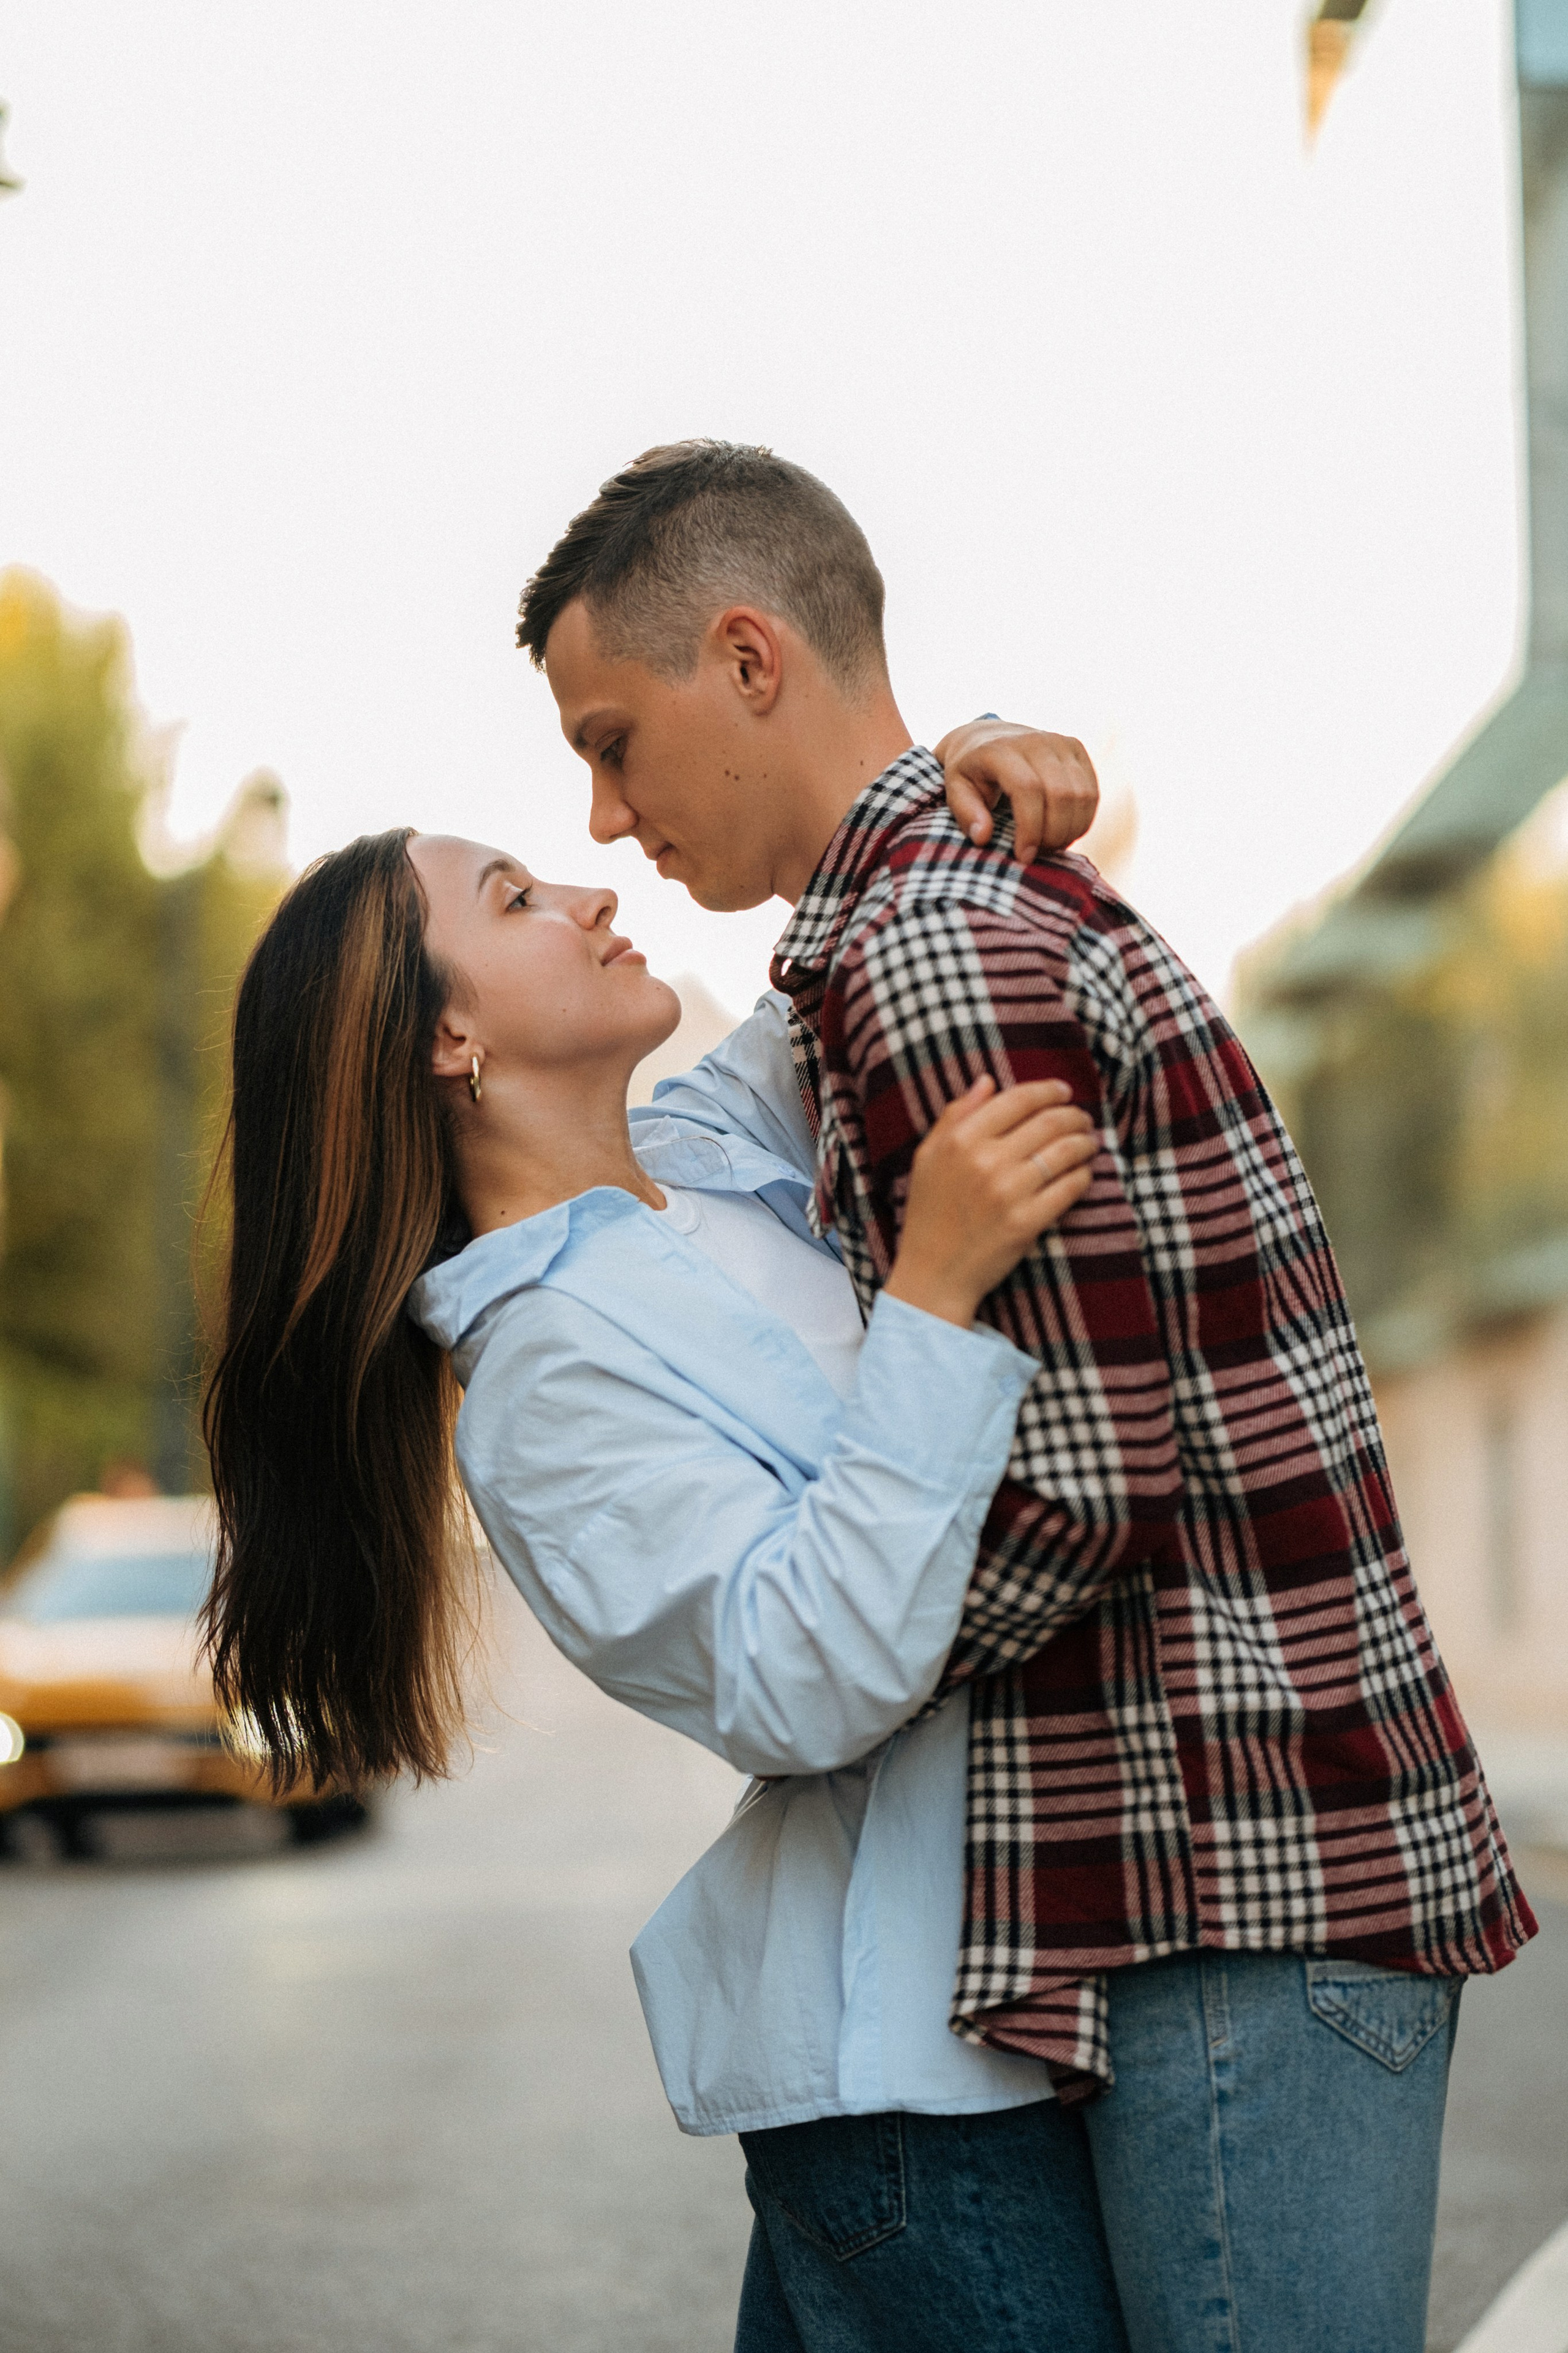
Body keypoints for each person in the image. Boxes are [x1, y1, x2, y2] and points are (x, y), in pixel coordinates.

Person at [516, 440, 1539, 2353]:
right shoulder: (919, 930)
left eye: (612, 737)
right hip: (1207, 1867)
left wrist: (838, 1652)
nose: (603, 809)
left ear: (751, 660)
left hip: (1241, 1873)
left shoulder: (933, 955)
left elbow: (1077, 1484)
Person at [202, 768, 1138, 2351]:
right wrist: (933, 1294)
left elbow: (871, 937)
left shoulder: (695, 1157)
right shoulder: (544, 1385)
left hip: (1008, 2004)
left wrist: (963, 767)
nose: (591, 890)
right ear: (448, 1039)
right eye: (515, 899)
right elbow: (800, 1680)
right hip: (912, 2081)